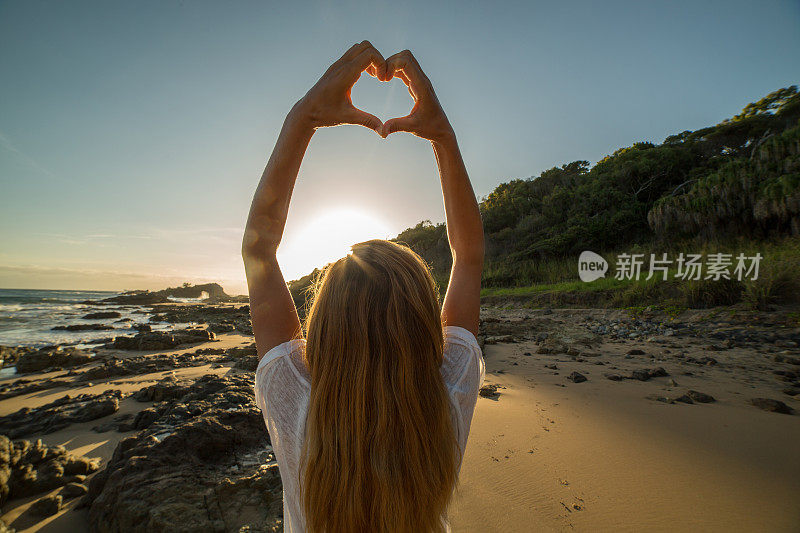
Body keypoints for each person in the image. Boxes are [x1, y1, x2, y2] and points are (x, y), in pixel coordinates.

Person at [242, 41, 485, 533]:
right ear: (423, 325)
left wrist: (304, 117)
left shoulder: (292, 394)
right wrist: (442, 136)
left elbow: (258, 250)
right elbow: (470, 256)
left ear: (324, 323)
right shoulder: (448, 391)